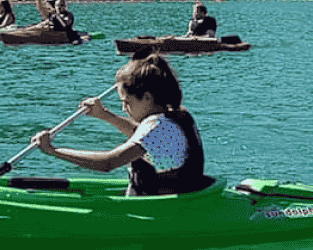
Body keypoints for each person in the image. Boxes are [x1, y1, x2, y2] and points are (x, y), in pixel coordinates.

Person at [30, 52, 208, 197]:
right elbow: (139, 135)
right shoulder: (176, 115)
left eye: (126, 102)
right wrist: (104, 114)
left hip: (162, 210)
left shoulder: (157, 125)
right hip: (179, 196)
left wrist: (53, 150)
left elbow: (108, 163)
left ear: (147, 97)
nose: (124, 108)